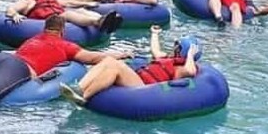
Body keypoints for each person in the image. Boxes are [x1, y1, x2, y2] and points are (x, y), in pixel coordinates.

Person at [0, 14, 134, 124]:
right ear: (62, 31)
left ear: (45, 28)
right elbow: (93, 58)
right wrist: (118, 55)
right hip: (17, 67)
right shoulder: (65, 45)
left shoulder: (32, 39)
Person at [60, 25, 200, 105]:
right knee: (109, 62)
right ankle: (79, 89)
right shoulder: (167, 59)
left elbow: (190, 71)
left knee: (116, 66)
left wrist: (190, 55)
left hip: (145, 89)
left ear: (184, 51)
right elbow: (155, 50)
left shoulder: (181, 69)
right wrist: (154, 34)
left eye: (178, 46)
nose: (174, 47)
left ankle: (84, 95)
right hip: (139, 79)